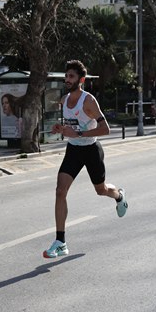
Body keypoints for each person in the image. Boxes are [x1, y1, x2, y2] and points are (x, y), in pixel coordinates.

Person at [43, 60, 128, 259]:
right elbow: (71, 125)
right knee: (60, 191)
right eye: (66, 76)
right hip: (73, 150)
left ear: (81, 80)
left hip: (91, 150)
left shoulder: (88, 101)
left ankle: (119, 197)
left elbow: (105, 129)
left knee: (101, 190)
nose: (67, 79)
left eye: (71, 76)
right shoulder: (64, 100)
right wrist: (60, 128)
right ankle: (61, 242)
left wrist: (79, 134)